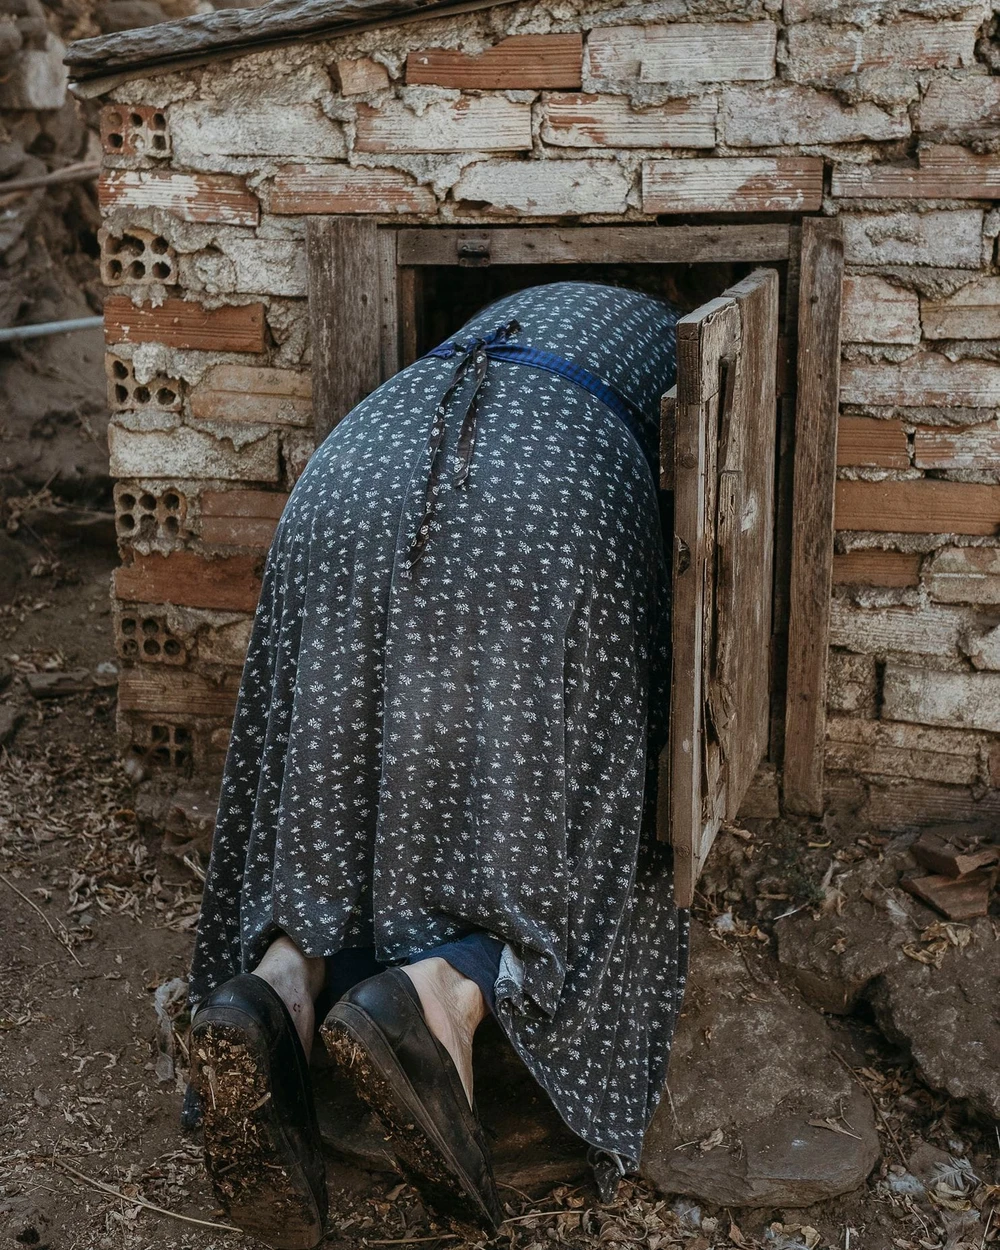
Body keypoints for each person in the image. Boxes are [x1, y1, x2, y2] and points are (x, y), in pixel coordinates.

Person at [187, 281, 690, 1250]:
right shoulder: (663, 334)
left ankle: (281, 979)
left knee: (340, 746)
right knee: (587, 781)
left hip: (352, 472)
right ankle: (449, 989)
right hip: (538, 494)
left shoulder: (511, 312)